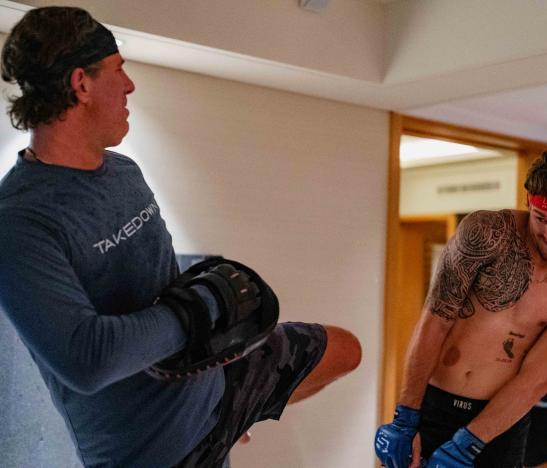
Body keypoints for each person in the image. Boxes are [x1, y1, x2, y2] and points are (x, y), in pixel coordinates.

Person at [0, 6, 361, 467]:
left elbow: (161, 282)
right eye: (118, 70)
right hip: (155, 449)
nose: (129, 86)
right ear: (82, 84)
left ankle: (240, 416)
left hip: (213, 389)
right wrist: (206, 307)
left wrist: (217, 339)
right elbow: (87, 359)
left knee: (345, 349)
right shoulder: (20, 221)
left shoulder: (123, 173)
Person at [374, 149, 547, 468]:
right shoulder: (486, 232)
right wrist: (405, 416)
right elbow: (435, 321)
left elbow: (537, 377)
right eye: (541, 218)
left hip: (500, 424)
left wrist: (468, 444)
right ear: (529, 200)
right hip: (435, 405)